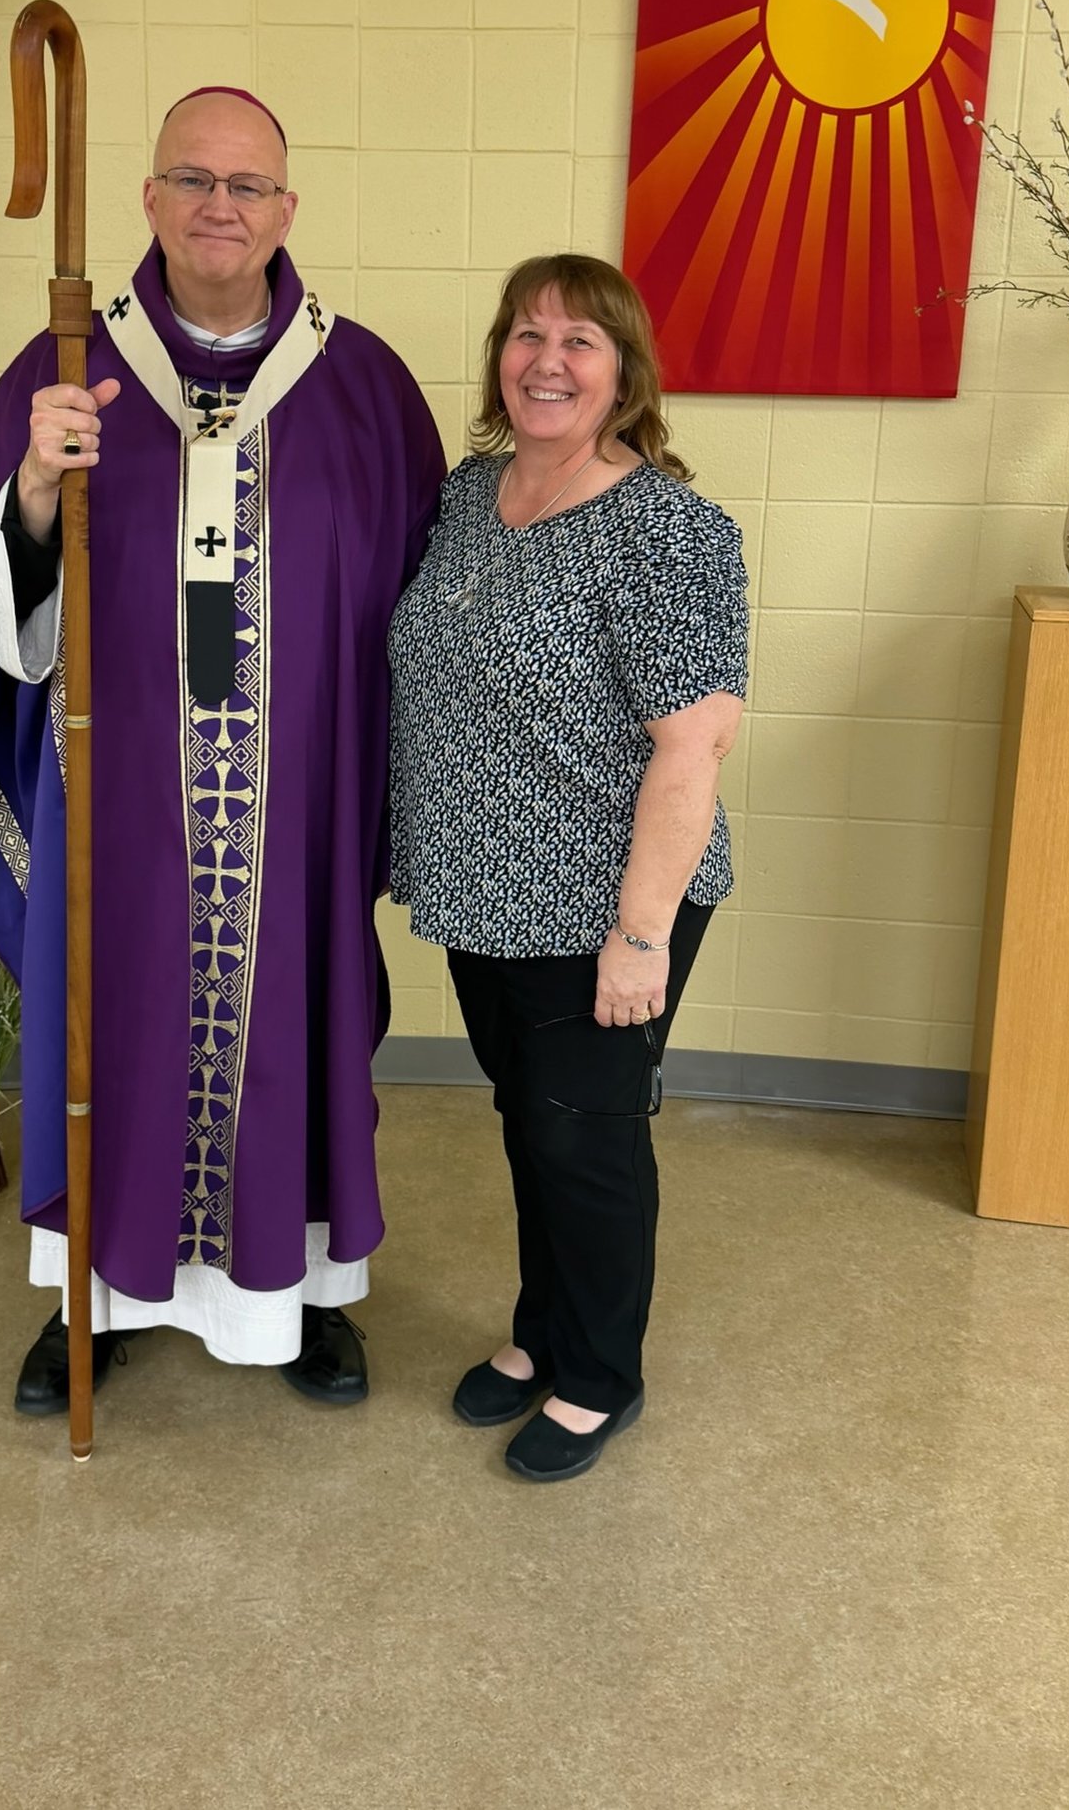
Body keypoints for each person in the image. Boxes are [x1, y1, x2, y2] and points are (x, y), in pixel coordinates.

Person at [0, 87, 446, 1418]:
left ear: (288, 209)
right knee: (112, 1031)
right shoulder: (69, 367)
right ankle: (89, 1302)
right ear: (149, 200)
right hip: (119, 799)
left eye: (249, 184)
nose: (222, 205)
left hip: (298, 806)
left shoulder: (362, 383)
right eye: (194, 179)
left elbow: (428, 595)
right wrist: (34, 487)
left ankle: (306, 1293)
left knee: (300, 1031)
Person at [387, 253, 747, 1483]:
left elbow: (693, 742)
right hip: (486, 893)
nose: (547, 359)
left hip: (605, 900)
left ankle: (600, 1375)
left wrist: (640, 934)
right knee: (527, 1124)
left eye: (580, 341)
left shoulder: (666, 529)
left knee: (584, 1138)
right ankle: (543, 1334)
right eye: (527, 333)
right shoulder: (468, 494)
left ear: (624, 371)